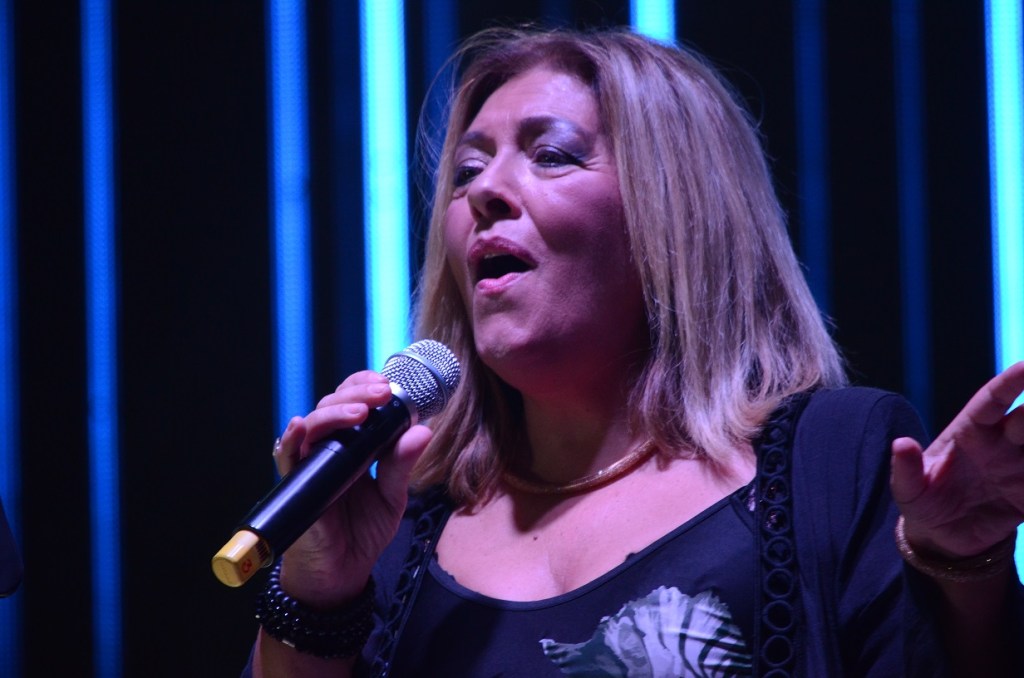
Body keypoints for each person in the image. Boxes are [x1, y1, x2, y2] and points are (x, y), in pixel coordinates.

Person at [244, 26, 1024, 677]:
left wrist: (967, 567)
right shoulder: (395, 525)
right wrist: (316, 592)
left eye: (551, 154)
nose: (482, 193)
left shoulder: (832, 459)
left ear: (675, 212)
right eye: (468, 170)